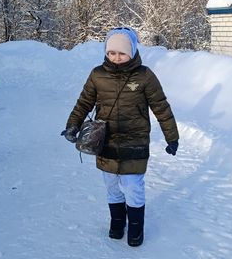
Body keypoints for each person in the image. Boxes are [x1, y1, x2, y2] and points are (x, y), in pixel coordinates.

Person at [62, 27, 179, 247]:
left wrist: (172, 137)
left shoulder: (144, 76)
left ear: (132, 52)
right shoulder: (97, 75)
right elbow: (84, 103)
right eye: (111, 53)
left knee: (133, 186)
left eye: (122, 53)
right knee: (112, 185)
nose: (116, 58)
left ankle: (135, 227)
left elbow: (161, 107)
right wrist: (72, 126)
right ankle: (117, 222)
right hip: (104, 140)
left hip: (135, 141)